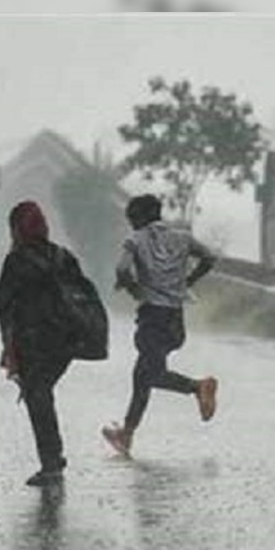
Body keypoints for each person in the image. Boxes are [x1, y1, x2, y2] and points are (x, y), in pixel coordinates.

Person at [101, 193, 218, 458]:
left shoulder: (135, 239)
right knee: (142, 376)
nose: (131, 225)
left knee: (150, 375)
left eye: (132, 220)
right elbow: (209, 258)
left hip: (152, 318)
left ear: (140, 218)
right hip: (176, 320)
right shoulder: (182, 237)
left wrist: (133, 289)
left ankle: (198, 387)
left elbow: (121, 269)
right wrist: (187, 281)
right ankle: (126, 434)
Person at [0, 199, 88, 486]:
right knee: (42, 392)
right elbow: (81, 294)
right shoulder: (63, 256)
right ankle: (53, 459)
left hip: (33, 341)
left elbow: (1, 301)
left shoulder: (17, 260)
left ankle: (51, 464)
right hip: (65, 341)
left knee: (38, 396)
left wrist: (8, 339)